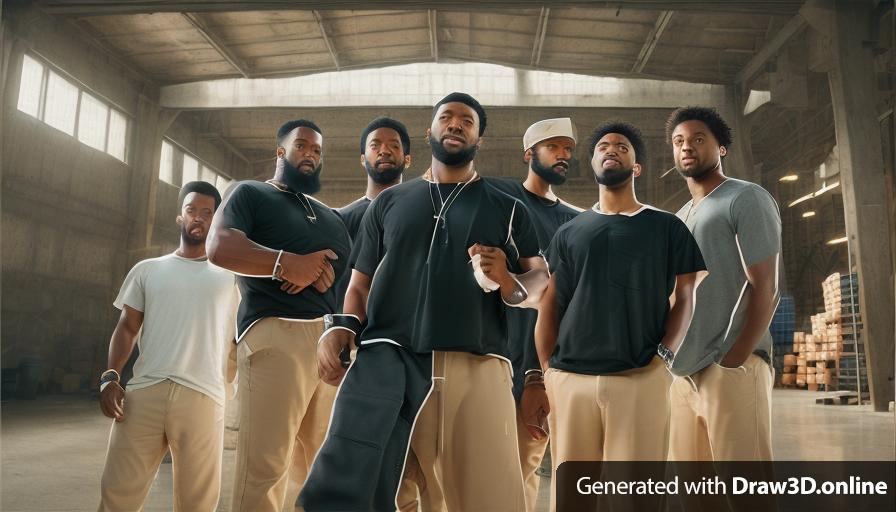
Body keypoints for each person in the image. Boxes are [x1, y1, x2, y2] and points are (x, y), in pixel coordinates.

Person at [300, 92, 548, 512]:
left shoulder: (509, 208)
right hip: (391, 361)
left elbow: (542, 284)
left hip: (479, 363)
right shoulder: (389, 203)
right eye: (446, 118)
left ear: (479, 139)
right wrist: (341, 326)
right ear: (429, 131)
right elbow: (359, 283)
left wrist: (507, 278)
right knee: (374, 491)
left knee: (492, 498)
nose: (455, 124)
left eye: (466, 121)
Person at [535, 122, 706, 510]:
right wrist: (549, 371)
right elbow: (552, 302)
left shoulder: (666, 227)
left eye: (622, 147)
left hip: (639, 376)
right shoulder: (570, 231)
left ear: (637, 167)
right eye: (603, 147)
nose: (611, 150)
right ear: (592, 162)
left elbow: (686, 293)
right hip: (571, 378)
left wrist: (664, 355)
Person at [206, 120, 351, 512]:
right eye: (302, 145)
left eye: (318, 150)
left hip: (329, 341)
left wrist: (327, 280)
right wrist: (285, 264)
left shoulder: (331, 216)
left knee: (324, 469)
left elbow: (350, 276)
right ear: (281, 152)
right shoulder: (251, 194)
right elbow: (219, 246)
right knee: (265, 467)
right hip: (275, 335)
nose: (311, 154)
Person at [97, 181, 237, 512]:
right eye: (191, 211)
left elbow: (240, 337)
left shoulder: (233, 278)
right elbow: (127, 327)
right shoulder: (148, 270)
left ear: (217, 219)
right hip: (144, 394)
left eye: (207, 212)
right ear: (179, 217)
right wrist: (110, 376)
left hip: (203, 397)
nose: (198, 218)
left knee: (197, 504)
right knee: (117, 495)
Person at [665, 106, 781, 462]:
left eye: (698, 139)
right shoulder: (680, 216)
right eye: (679, 141)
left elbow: (767, 286)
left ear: (721, 149)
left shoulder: (745, 198)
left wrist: (734, 359)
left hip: (730, 364)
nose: (687, 147)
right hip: (683, 373)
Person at [488, 117, 583, 511]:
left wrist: (546, 372)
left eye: (568, 150)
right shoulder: (501, 204)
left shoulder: (576, 221)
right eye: (554, 147)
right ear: (529, 154)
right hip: (500, 358)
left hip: (554, 365)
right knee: (501, 473)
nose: (563, 155)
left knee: (543, 468)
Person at [334, 116, 411, 308]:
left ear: (407, 160)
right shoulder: (340, 219)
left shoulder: (423, 214)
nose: (384, 151)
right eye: (375, 145)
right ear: (362, 159)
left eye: (394, 146)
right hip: (352, 330)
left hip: (408, 330)